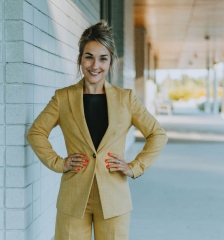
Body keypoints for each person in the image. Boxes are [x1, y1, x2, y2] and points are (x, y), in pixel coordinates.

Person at [27, 20, 168, 240]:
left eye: (103, 58)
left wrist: (135, 167)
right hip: (73, 198)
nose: (95, 65)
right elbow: (36, 132)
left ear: (111, 61)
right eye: (89, 56)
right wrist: (58, 162)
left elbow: (157, 134)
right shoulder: (63, 98)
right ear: (80, 59)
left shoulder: (126, 99)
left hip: (114, 199)